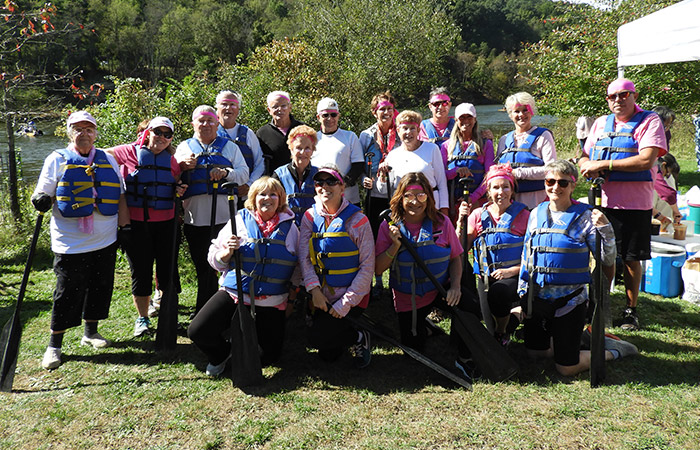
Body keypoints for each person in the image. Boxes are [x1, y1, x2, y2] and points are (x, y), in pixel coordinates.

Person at [518, 159, 638, 376]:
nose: (555, 187)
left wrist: (606, 230)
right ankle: (577, 339)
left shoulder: (586, 216)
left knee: (566, 368)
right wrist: (522, 290)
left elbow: (606, 258)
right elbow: (527, 254)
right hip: (539, 297)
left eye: (563, 183)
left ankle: (614, 350)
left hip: (570, 300)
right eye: (550, 181)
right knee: (537, 355)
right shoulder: (535, 213)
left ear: (573, 186)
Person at [31, 111, 129, 370]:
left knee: (99, 286)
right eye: (78, 129)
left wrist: (125, 226)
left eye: (89, 129)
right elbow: (43, 192)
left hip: (105, 238)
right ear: (69, 132)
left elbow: (119, 195)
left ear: (95, 133)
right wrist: (40, 199)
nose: (84, 133)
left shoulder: (107, 158)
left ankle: (91, 332)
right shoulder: (57, 159)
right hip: (70, 242)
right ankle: (54, 345)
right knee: (66, 292)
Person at [579, 78, 668, 331]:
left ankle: (631, 310)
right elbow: (586, 154)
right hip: (601, 201)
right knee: (602, 256)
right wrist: (586, 163)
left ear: (634, 95)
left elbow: (646, 160)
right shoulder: (599, 124)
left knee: (630, 257)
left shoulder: (649, 121)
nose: (618, 100)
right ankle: (600, 304)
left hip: (634, 203)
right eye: (612, 96)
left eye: (623, 95)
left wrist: (604, 165)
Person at [188, 177, 299, 376]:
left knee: (270, 357)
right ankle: (222, 354)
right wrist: (225, 254)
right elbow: (213, 258)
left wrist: (291, 298)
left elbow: (298, 267)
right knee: (197, 331)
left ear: (280, 198)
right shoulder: (238, 221)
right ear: (253, 198)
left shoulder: (291, 228)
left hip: (271, 300)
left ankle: (247, 343)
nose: (268, 198)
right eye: (262, 194)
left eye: (273, 194)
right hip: (235, 293)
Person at [112, 117, 187, 337]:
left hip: (167, 224)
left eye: (167, 134)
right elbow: (99, 156)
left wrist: (179, 187)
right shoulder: (129, 152)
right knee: (141, 272)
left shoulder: (172, 161)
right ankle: (142, 318)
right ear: (148, 132)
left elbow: (175, 184)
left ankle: (168, 315)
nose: (162, 137)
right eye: (158, 132)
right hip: (137, 225)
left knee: (167, 273)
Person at [375, 172, 463, 353]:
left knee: (470, 307)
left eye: (421, 195)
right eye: (409, 196)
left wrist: (455, 286)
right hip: (409, 297)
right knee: (413, 350)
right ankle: (427, 327)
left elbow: (455, 257)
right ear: (400, 198)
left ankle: (460, 344)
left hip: (440, 289)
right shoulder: (388, 225)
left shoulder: (442, 222)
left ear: (429, 197)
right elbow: (378, 269)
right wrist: (394, 246)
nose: (415, 202)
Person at [175, 105, 250, 315]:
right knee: (203, 266)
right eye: (201, 120)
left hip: (225, 219)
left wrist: (226, 172)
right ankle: (205, 310)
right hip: (195, 219)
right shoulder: (183, 148)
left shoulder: (230, 147)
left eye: (210, 121)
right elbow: (173, 177)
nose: (206, 124)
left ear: (217, 123)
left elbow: (244, 174)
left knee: (226, 265)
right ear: (193, 124)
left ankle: (226, 310)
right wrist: (181, 167)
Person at [298, 165, 374, 367]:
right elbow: (304, 258)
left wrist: (345, 303)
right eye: (319, 182)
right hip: (321, 297)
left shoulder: (359, 220)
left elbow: (367, 267)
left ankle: (359, 335)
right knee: (326, 354)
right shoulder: (309, 217)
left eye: (331, 182)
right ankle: (344, 332)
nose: (325, 187)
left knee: (320, 338)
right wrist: (314, 290)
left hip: (352, 297)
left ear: (342, 188)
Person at [459, 164, 529, 346]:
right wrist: (460, 221)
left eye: (505, 187)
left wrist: (512, 271)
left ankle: (503, 329)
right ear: (488, 191)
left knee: (497, 325)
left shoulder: (525, 216)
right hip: (487, 278)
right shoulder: (477, 215)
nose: (501, 192)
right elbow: (461, 248)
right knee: (490, 326)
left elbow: (534, 255)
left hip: (517, 275)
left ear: (512, 189)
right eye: (495, 187)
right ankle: (517, 314)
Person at [377, 110, 449, 215]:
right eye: (405, 128)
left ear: (418, 130)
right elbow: (383, 190)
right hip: (403, 208)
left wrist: (444, 210)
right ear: (398, 130)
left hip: (430, 206)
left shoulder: (432, 149)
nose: (408, 132)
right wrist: (383, 176)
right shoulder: (392, 155)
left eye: (412, 128)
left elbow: (441, 182)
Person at [496, 92, 557, 210]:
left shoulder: (543, 136)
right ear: (510, 114)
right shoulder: (504, 140)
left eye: (525, 110)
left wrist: (518, 173)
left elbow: (551, 170)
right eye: (517, 111)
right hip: (509, 202)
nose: (521, 115)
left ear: (531, 112)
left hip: (537, 201)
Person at [360, 91, 402, 234]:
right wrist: (363, 179)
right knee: (375, 233)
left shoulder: (401, 133)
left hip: (397, 192)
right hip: (374, 194)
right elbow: (359, 165)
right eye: (382, 109)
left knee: (396, 233)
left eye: (389, 108)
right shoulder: (366, 136)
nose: (386, 112)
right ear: (374, 112)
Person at [310, 97, 365, 206]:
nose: (330, 118)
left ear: (338, 115)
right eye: (325, 115)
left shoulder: (350, 137)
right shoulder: (312, 139)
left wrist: (340, 185)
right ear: (318, 117)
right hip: (321, 199)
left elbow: (358, 165)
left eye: (333, 115)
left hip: (348, 198)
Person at [443, 102, 494, 211]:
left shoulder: (486, 144)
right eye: (462, 118)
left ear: (475, 119)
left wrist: (473, 197)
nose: (466, 121)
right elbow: (441, 175)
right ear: (456, 120)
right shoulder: (446, 146)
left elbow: (490, 176)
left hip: (478, 201)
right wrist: (456, 171)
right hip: (453, 201)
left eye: (469, 117)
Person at [215, 90, 265, 199]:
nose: (228, 108)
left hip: (246, 196)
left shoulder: (248, 133)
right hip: (219, 196)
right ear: (217, 109)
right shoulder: (211, 133)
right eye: (224, 104)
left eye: (232, 104)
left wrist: (249, 185)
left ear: (238, 109)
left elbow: (260, 163)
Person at [272, 125, 319, 226]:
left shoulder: (319, 175)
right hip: (287, 229)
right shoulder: (279, 175)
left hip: (313, 229)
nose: (303, 152)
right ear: (291, 148)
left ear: (313, 149)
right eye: (298, 148)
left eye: (307, 148)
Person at [256, 91, 305, 174]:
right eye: (275, 107)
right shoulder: (262, 134)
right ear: (269, 110)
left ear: (290, 107)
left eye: (284, 106)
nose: (280, 109)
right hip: (275, 183)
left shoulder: (303, 129)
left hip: (302, 181)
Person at [652, 153, 682, 229]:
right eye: (667, 172)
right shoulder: (654, 175)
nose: (666, 175)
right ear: (663, 164)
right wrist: (662, 218)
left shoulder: (669, 177)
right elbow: (668, 194)